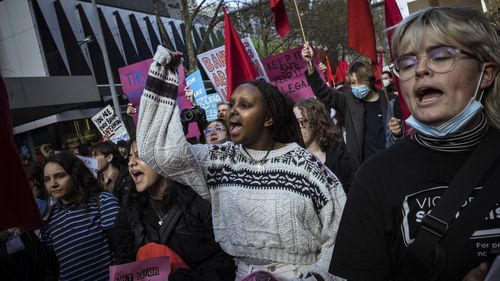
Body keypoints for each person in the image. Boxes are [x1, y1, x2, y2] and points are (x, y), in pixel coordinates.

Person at [136, 46, 346, 280]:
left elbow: (341, 232)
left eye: (245, 105)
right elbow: (157, 152)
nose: (232, 112)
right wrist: (163, 76)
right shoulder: (220, 160)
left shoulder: (305, 166)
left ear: (268, 118)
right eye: (232, 104)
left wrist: (316, 278)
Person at [329, 7, 500, 281]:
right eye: (407, 63)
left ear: (486, 72)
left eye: (441, 56)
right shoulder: (374, 179)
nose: (420, 69)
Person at [114, 140, 236, 281]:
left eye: (139, 155)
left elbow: (226, 259)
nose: (131, 163)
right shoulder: (128, 213)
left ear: (164, 157)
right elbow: (124, 263)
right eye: (129, 157)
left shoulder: (199, 201)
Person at [302, 45, 403, 165]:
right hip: (363, 167)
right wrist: (310, 64)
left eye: (359, 82)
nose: (356, 87)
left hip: (391, 162)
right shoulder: (348, 100)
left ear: (369, 80)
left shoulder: (391, 100)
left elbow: (404, 133)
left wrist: (398, 133)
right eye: (352, 83)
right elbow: (323, 92)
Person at [41, 152, 120, 281]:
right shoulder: (49, 217)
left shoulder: (102, 202)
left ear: (75, 175)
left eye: (60, 176)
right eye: (47, 179)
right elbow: (52, 264)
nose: (53, 184)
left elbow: (122, 250)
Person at [294, 99, 358, 194]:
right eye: (293, 123)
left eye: (301, 121)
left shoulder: (342, 161)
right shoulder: (291, 162)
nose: (296, 128)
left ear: (316, 122)